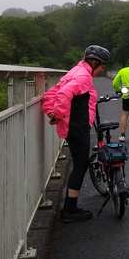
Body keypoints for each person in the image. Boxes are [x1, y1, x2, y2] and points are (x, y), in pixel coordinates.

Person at [42, 44, 110, 223]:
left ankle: (70, 207)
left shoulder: (75, 71)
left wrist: (51, 111)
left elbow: (51, 94)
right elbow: (64, 93)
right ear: (95, 62)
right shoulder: (83, 76)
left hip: (72, 126)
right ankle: (70, 210)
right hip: (77, 127)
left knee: (80, 164)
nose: (102, 70)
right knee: (80, 165)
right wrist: (57, 114)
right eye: (102, 66)